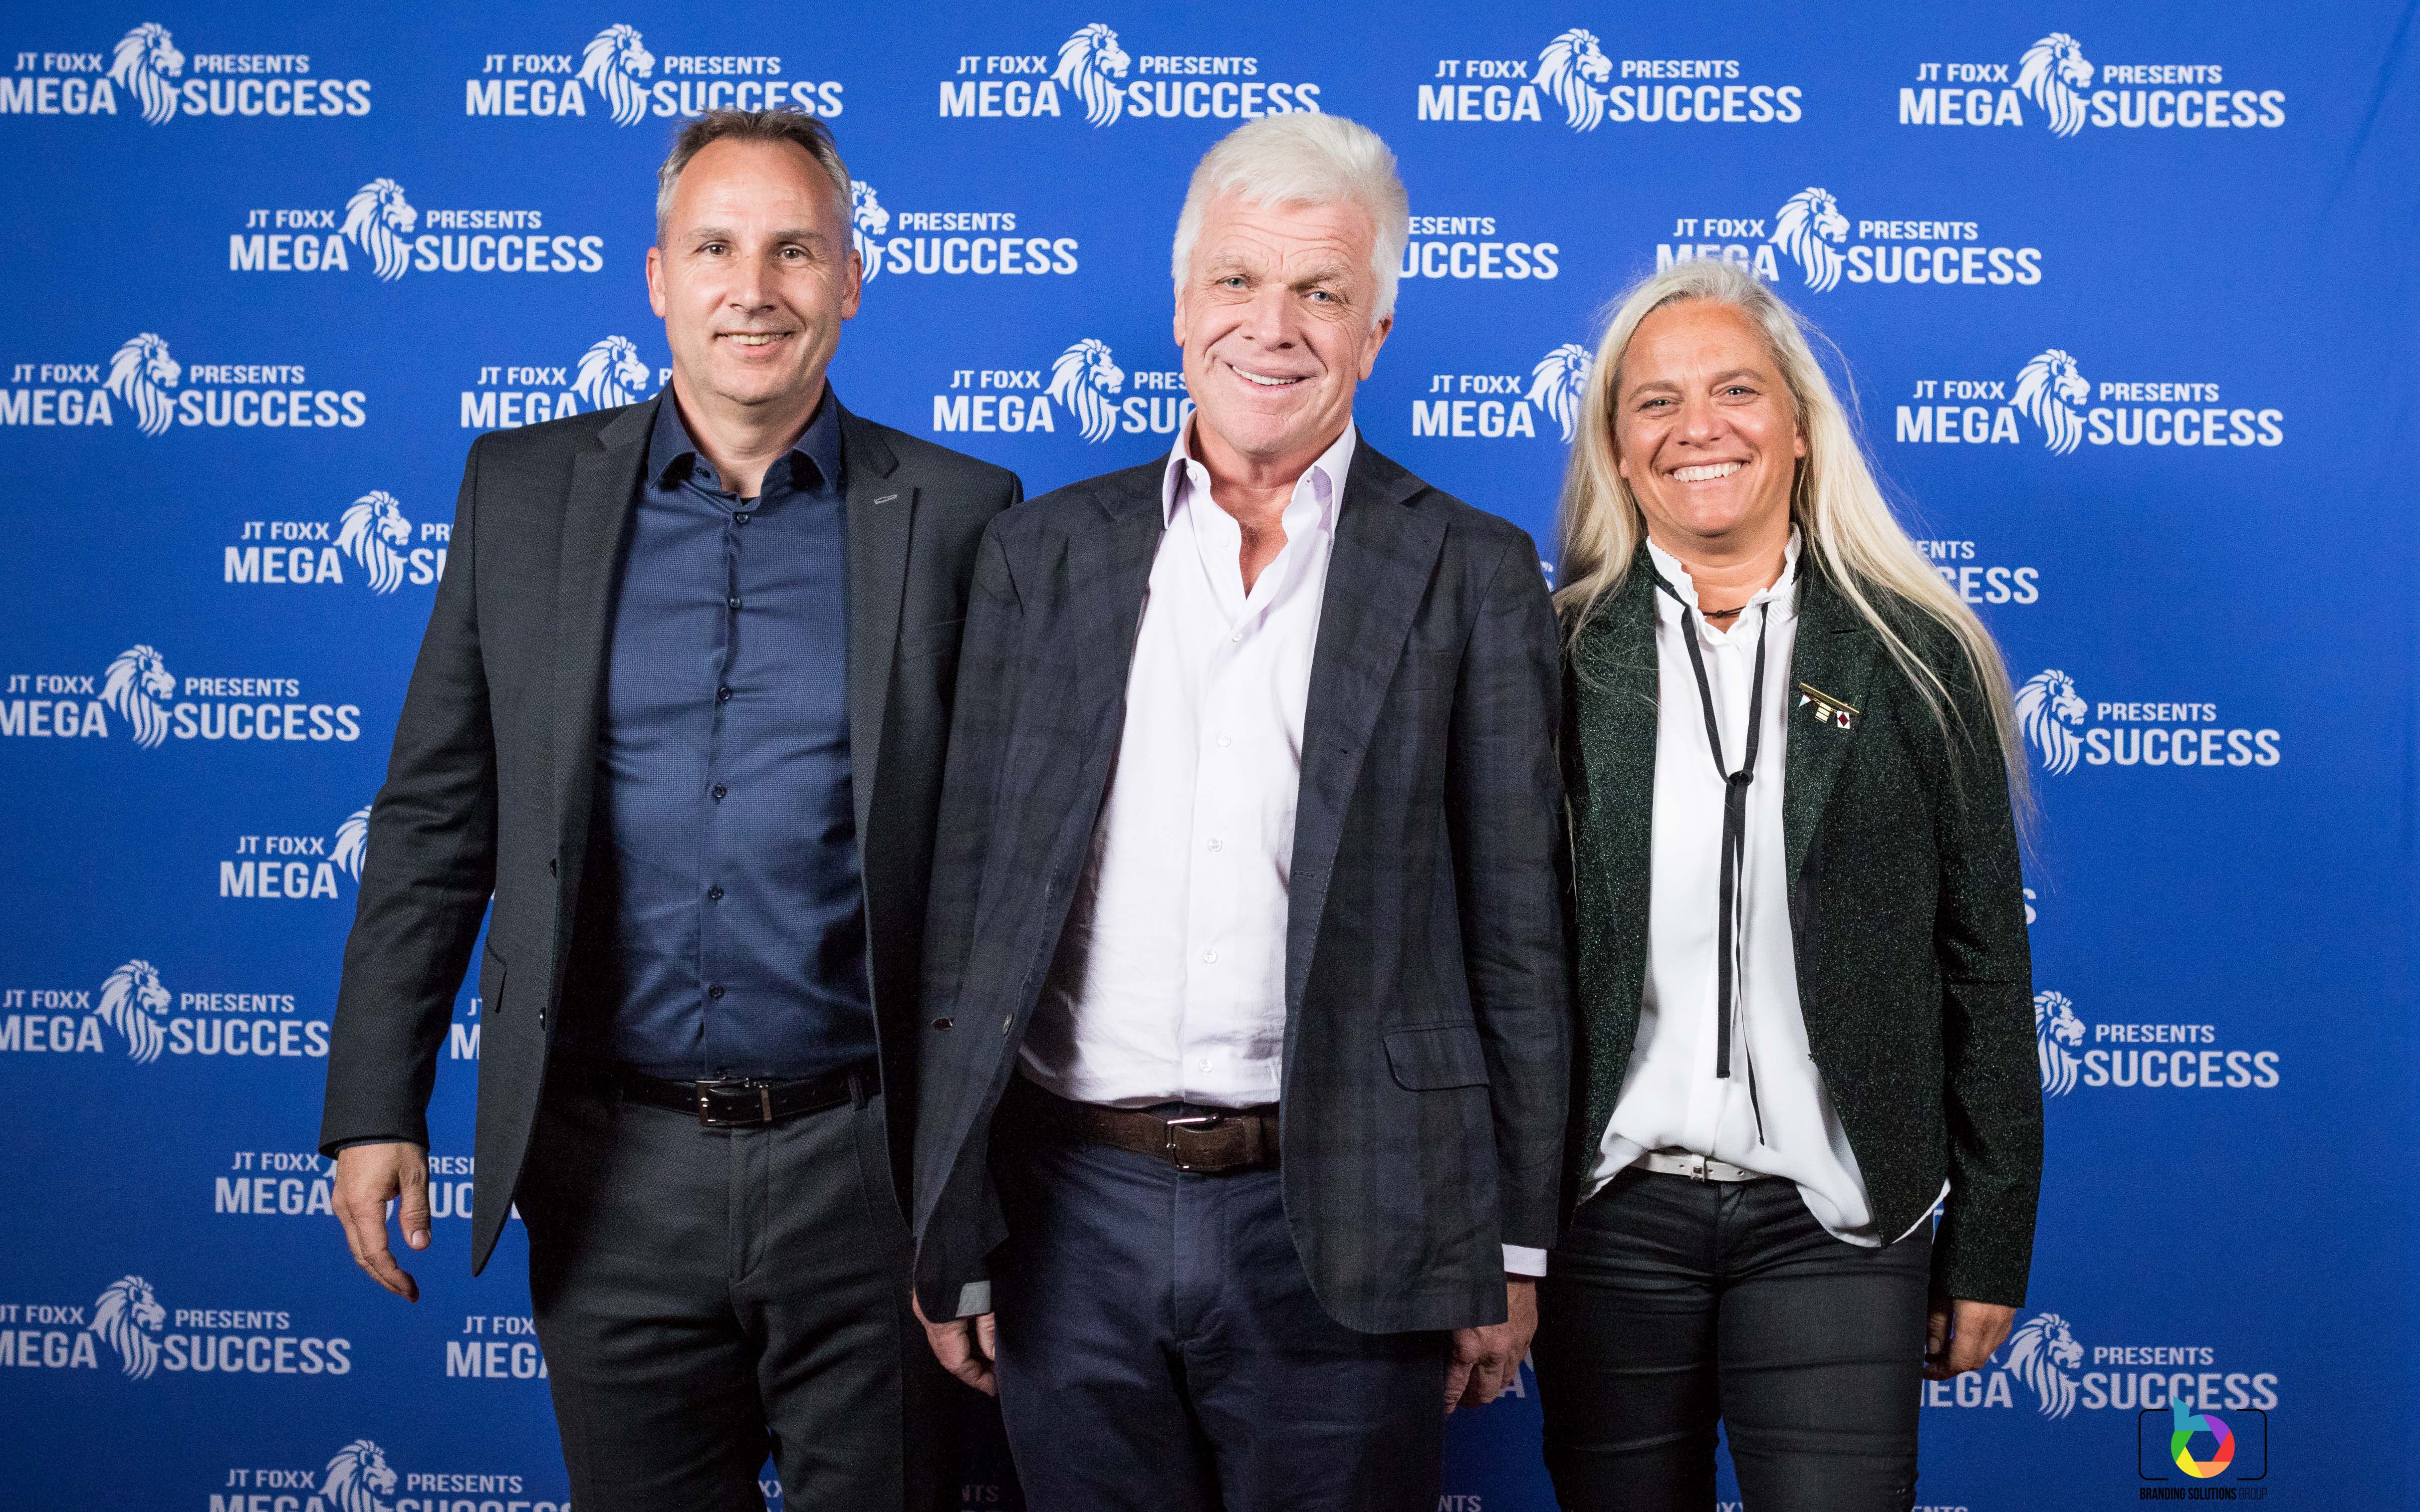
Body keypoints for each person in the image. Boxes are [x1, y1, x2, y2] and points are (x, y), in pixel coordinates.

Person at [317, 109, 1020, 1512]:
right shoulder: (519, 493)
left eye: (794, 251)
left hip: (868, 1179)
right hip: (607, 1177)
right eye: (715, 248)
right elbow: (438, 818)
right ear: (657, 277)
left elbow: (1012, 875)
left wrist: (989, 1191)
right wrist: (376, 1100)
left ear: (851, 279)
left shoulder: (963, 513)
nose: (753, 289)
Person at [906, 113, 1569, 1512]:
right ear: (1180, 306)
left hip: (1352, 1214)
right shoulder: (1038, 556)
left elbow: (1519, 937)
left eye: (1321, 291)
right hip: (1065, 1217)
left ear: (1375, 330)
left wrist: (1511, 1250)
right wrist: (948, 1225)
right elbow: (964, 917)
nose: (1272, 326)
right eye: (1236, 280)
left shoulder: (1472, 571)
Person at [1532, 255, 2042, 1511]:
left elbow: (1985, 962)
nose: (1696, 427)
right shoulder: (1549, 654)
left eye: (1735, 390)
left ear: (1800, 427)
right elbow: (1492, 957)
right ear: (1617, 449)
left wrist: (1989, 1240)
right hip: (1605, 1219)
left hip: (1839, 1222)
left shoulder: (1918, 655)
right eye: (1654, 402)